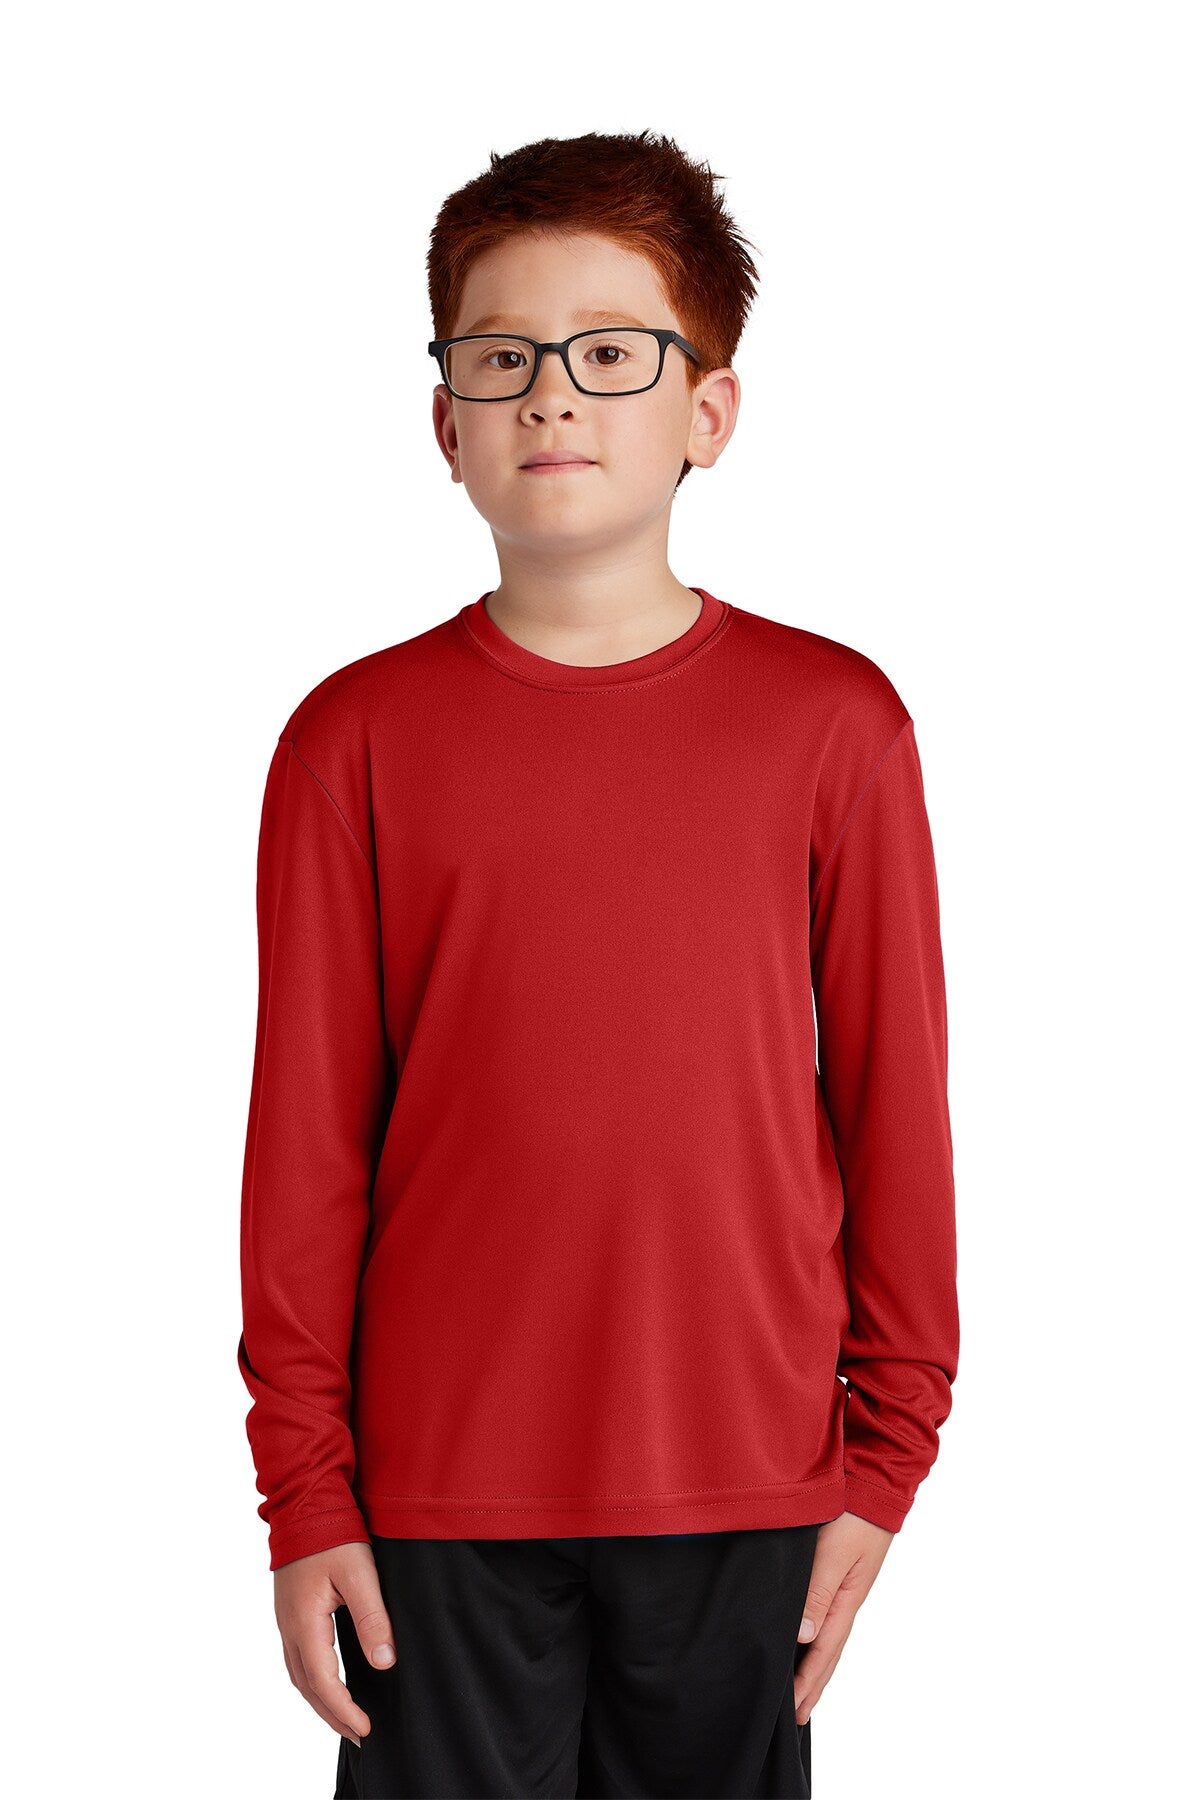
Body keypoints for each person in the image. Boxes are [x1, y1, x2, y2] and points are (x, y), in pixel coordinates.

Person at [236, 129, 960, 1800]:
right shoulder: (350, 742)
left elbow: (895, 1104)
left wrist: (886, 1457)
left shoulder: (835, 725)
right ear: (447, 422)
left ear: (709, 409)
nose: (551, 395)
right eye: (502, 358)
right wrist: (305, 1491)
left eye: (610, 353)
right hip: (434, 1503)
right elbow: (304, 1146)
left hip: (745, 1483)